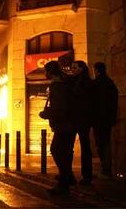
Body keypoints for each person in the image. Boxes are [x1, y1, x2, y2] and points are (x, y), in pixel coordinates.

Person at [40, 61, 75, 195]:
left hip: (63, 125)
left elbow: (59, 108)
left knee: (57, 150)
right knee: (65, 153)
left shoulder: (58, 86)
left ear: (50, 72)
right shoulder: (65, 84)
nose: (45, 73)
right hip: (69, 124)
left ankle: (64, 183)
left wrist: (46, 114)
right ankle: (67, 178)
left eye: (46, 71)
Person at [70, 60, 95, 185]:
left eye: (74, 67)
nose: (72, 69)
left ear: (81, 68)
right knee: (68, 147)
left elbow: (89, 103)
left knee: (85, 148)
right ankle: (68, 174)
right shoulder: (73, 81)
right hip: (76, 119)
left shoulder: (86, 83)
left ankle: (87, 176)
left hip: (82, 119)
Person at [93, 62, 118, 177]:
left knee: (101, 143)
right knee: (106, 142)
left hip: (99, 119)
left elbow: (96, 102)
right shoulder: (110, 83)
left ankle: (106, 170)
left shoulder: (97, 83)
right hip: (108, 118)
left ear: (97, 70)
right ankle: (107, 169)